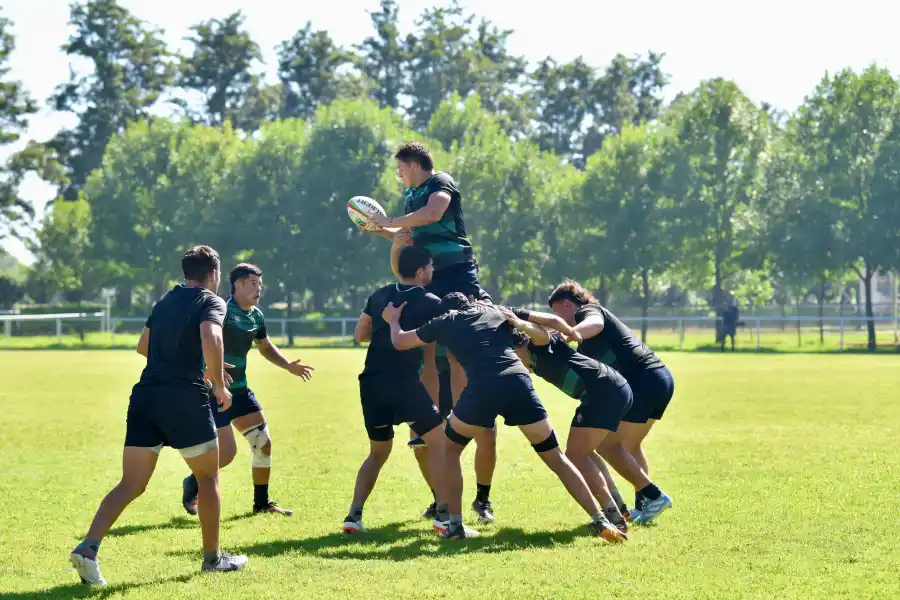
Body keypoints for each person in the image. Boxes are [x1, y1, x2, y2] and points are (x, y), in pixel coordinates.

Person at [383, 292, 626, 542]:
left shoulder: (445, 320)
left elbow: (400, 341)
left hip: (483, 388)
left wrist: (392, 320)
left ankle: (454, 525)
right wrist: (565, 331)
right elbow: (547, 326)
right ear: (472, 302)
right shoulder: (494, 309)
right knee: (556, 457)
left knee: (449, 449)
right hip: (518, 382)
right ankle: (600, 519)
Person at [69, 246, 247, 585]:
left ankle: (88, 548)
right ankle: (213, 559)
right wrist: (219, 386)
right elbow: (211, 335)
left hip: (146, 397)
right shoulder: (213, 301)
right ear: (214, 273)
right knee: (208, 478)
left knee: (131, 483)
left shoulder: (164, 300)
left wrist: (201, 361)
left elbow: (143, 346)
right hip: (184, 398)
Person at [366, 141, 497, 523]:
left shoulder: (440, 182)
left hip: (456, 273)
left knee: (463, 340)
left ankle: (482, 494)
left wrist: (393, 221)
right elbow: (404, 242)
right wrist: (383, 229)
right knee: (424, 344)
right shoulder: (409, 199)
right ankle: (441, 494)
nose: (399, 176)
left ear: (413, 164)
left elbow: (433, 213)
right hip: (428, 278)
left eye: (401, 169)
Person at [343, 246, 461, 535]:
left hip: (370, 381)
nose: (432, 271)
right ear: (420, 271)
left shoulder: (379, 294)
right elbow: (439, 346)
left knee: (378, 452)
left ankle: (353, 517)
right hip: (403, 383)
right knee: (441, 444)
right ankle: (444, 516)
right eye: (430, 267)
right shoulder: (431, 302)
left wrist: (385, 329)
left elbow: (359, 335)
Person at [181, 263, 314, 518]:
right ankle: (193, 483)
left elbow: (264, 346)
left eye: (260, 285)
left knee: (263, 442)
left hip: (240, 391)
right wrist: (212, 371)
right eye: (253, 283)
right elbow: (201, 340)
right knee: (226, 454)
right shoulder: (221, 310)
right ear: (237, 284)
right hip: (213, 391)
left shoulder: (256, 315)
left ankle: (261, 503)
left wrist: (287, 365)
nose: (258, 290)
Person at [548, 280, 674, 524]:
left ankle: (654, 495)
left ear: (567, 304)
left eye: (556, 312)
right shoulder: (585, 334)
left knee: (607, 446)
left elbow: (595, 324)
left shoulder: (587, 311)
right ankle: (645, 506)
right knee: (630, 445)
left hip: (642, 380)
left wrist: (569, 334)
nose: (558, 318)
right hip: (659, 379)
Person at [504, 306, 633, 533]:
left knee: (575, 455)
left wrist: (520, 322)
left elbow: (544, 331)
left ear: (517, 346)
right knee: (585, 452)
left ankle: (614, 517)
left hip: (603, 391)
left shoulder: (537, 345)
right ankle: (620, 510)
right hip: (610, 388)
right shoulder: (533, 355)